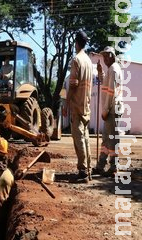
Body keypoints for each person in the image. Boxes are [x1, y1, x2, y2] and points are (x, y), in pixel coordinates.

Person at [66, 30, 93, 182]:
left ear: (76, 43)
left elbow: (73, 84)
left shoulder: (76, 60)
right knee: (86, 138)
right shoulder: (88, 61)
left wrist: (67, 103)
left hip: (77, 106)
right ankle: (88, 169)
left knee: (78, 138)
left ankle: (82, 172)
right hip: (86, 105)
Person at [93, 46, 124, 177]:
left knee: (112, 139)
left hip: (112, 109)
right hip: (110, 109)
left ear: (112, 56)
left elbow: (111, 93)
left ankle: (113, 166)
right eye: (103, 56)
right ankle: (101, 165)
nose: (104, 58)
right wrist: (100, 72)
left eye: (106, 56)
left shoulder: (114, 69)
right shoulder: (111, 69)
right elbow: (105, 82)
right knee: (106, 139)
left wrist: (105, 111)